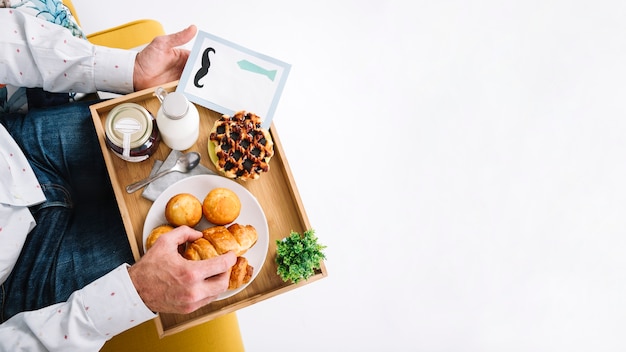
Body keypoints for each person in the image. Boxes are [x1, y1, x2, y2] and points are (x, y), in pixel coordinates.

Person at [0, 3, 236, 351]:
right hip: (21, 279)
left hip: (18, 150)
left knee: (202, 163)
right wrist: (133, 295)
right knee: (191, 247)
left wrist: (130, 70)